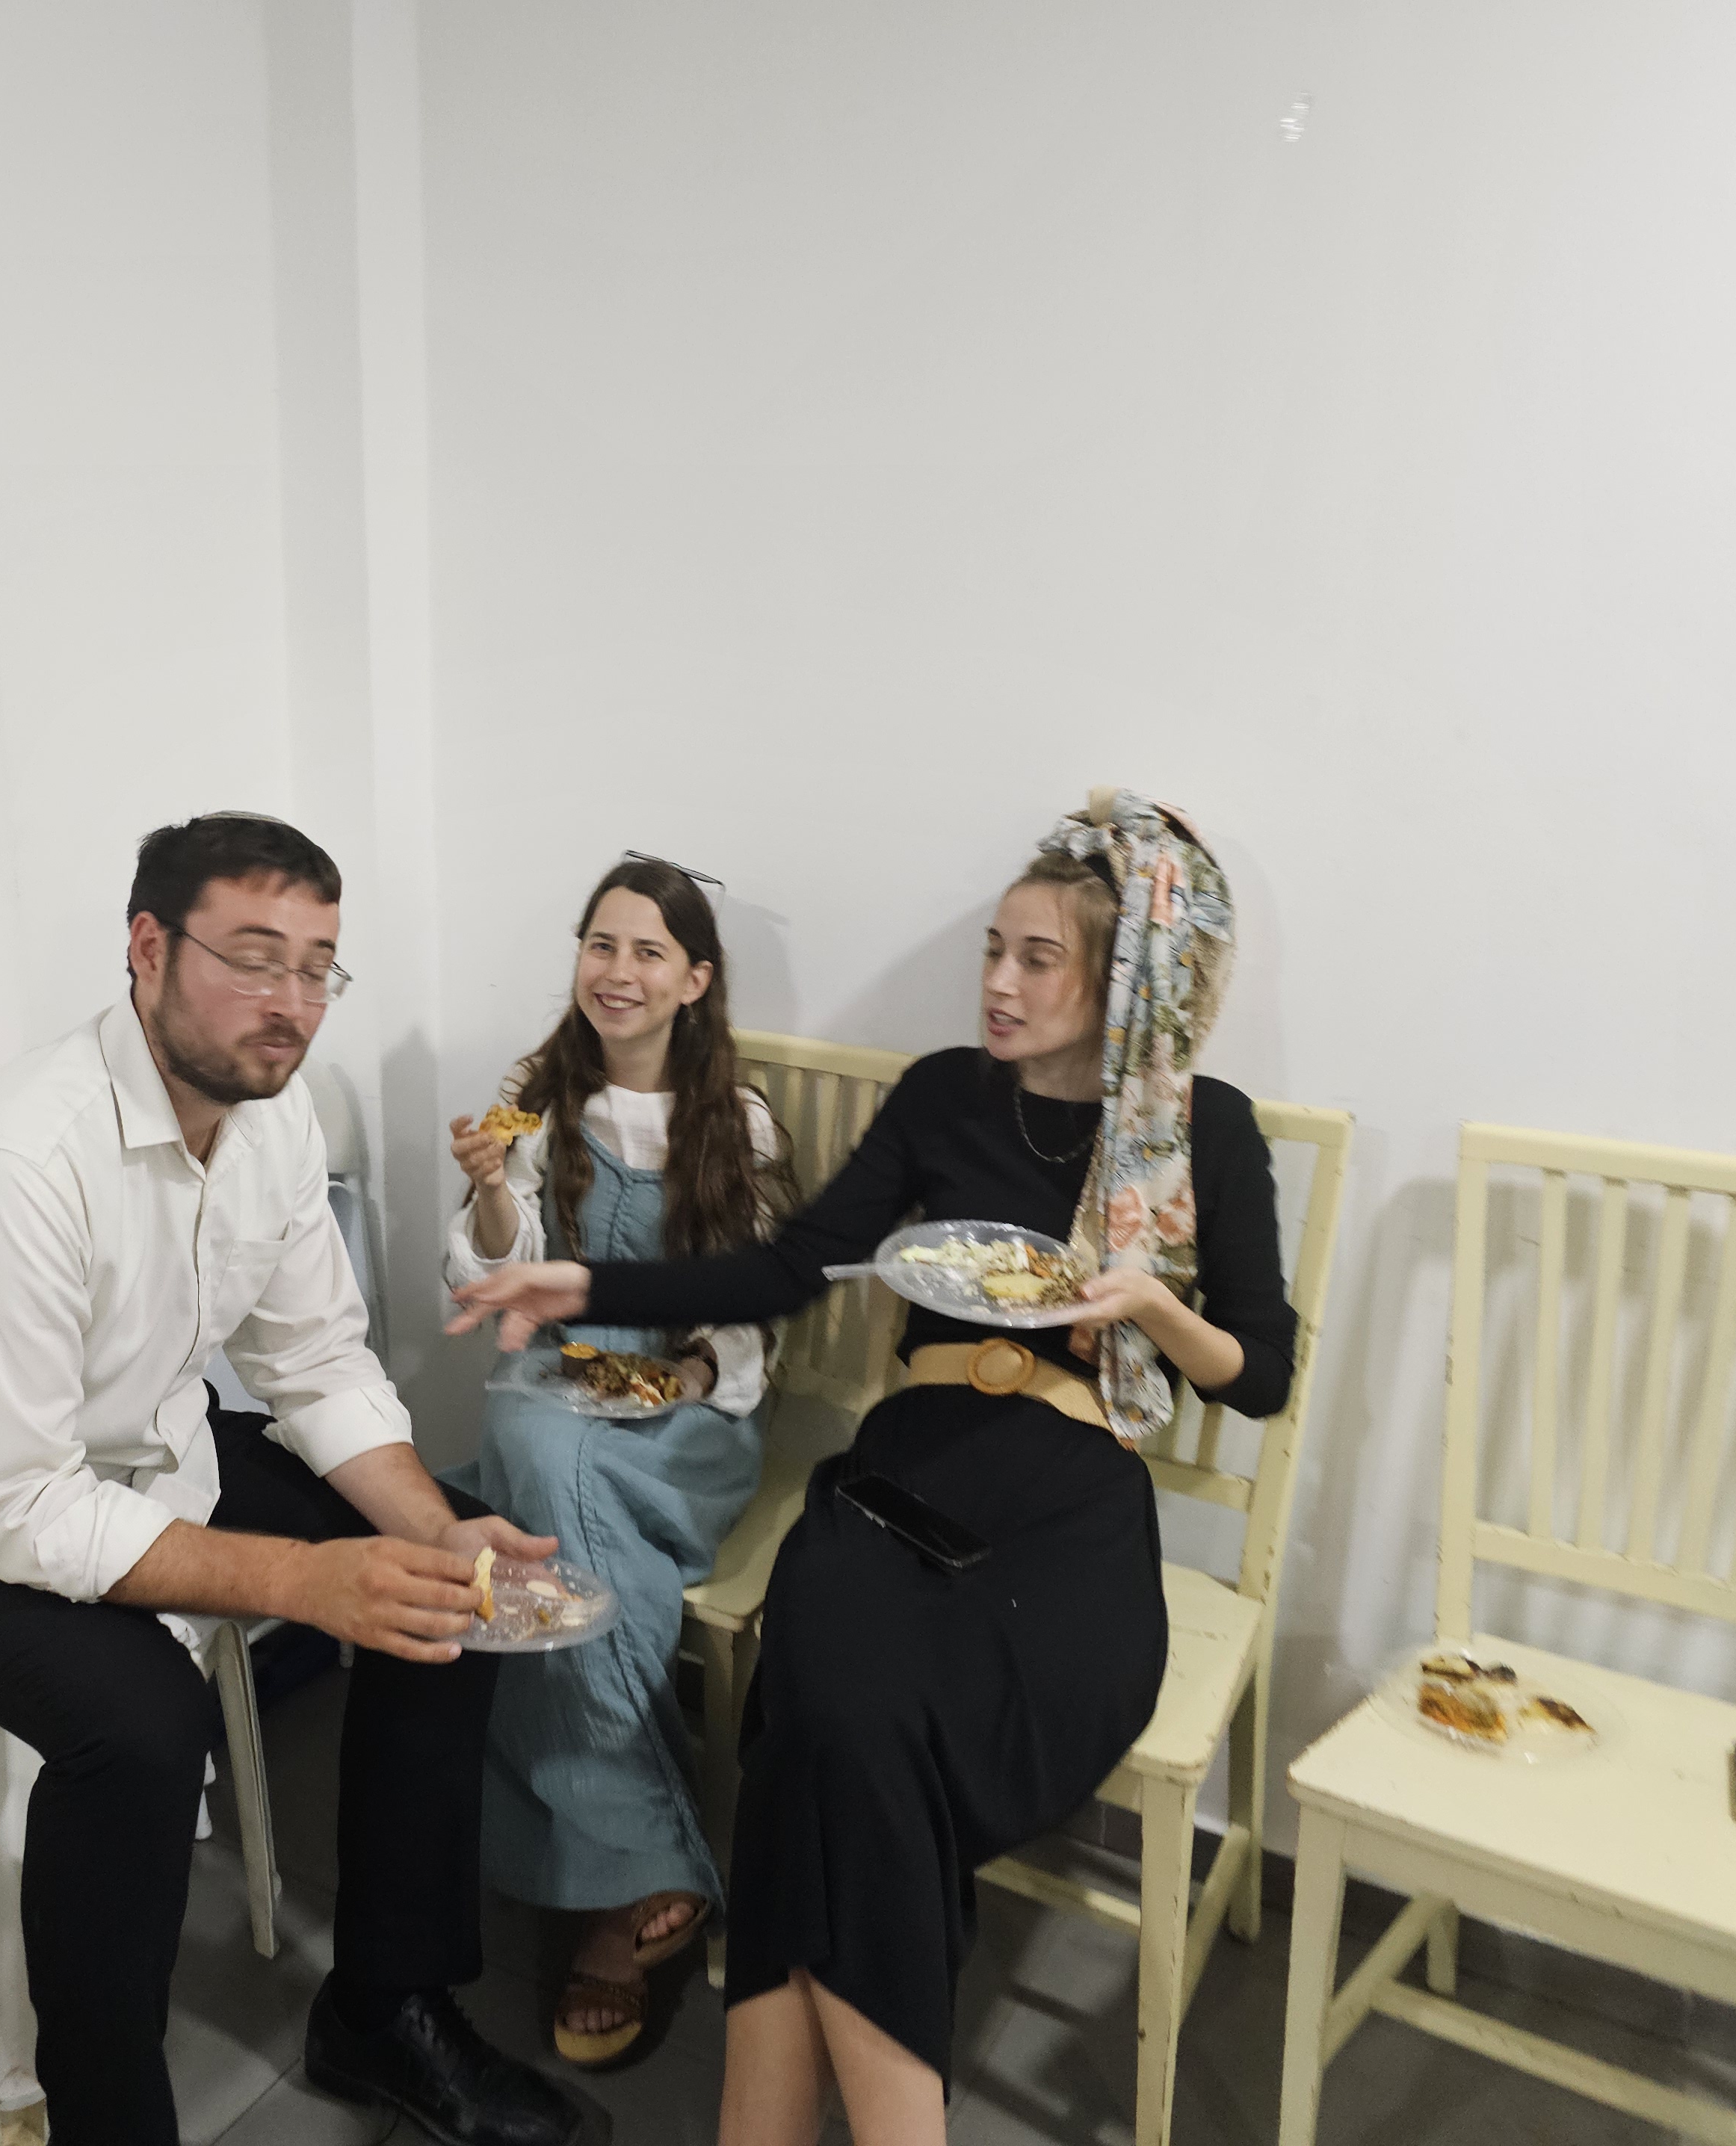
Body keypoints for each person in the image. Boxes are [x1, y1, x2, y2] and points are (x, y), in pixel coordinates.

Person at [448, 793, 1297, 2145]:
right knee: (840, 1709)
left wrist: (1149, 1305)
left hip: (1069, 1499)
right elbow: (788, 1267)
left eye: (1037, 959)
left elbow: (1261, 1374)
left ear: (1125, 976)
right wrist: (585, 1283)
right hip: (906, 1468)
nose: (998, 983)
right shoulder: (944, 1095)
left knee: (830, 1755)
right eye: (995, 951)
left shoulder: (1202, 1130)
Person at [0, 813, 579, 2146]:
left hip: (138, 1457)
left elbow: (314, 1362)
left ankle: (384, 2007)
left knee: (449, 1591)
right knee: (146, 1727)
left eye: (319, 969)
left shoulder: (271, 1116)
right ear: (148, 950)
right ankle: (107, 2120)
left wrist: (432, 1536)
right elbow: (21, 1508)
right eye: (255, 959)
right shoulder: (19, 1159)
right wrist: (309, 1580)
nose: (293, 1006)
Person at [442, 856, 794, 2068]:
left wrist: (676, 1382)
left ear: (696, 980)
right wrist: (490, 1196)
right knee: (539, 1451)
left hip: (690, 1417)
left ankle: (599, 1876)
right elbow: (494, 1272)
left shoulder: (736, 1124)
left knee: (531, 1521)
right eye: (602, 945)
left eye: (650, 952)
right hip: (556, 1386)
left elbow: (752, 1319)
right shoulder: (534, 1099)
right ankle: (647, 1857)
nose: (619, 972)